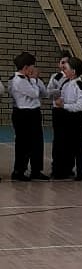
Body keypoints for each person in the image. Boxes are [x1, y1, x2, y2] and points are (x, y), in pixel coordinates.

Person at [8, 51, 49, 181]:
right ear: (26, 67)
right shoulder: (19, 80)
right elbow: (34, 94)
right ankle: (19, 171)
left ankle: (36, 170)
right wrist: (33, 79)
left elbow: (44, 93)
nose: (34, 68)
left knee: (37, 143)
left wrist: (36, 80)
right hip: (24, 114)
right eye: (32, 66)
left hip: (34, 112)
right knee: (23, 144)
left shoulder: (28, 79)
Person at [51, 56, 82, 180]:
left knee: (78, 146)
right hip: (66, 117)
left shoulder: (80, 85)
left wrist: (64, 105)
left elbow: (80, 106)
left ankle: (81, 172)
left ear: (73, 71)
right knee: (66, 145)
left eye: (66, 68)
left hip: (76, 118)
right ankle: (64, 170)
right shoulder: (66, 82)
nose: (64, 70)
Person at [47, 51, 71, 178]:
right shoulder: (55, 77)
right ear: (58, 64)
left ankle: (68, 167)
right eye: (62, 62)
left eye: (66, 62)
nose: (64, 65)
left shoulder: (74, 76)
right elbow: (48, 92)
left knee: (69, 140)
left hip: (70, 110)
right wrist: (58, 92)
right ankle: (56, 168)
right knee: (58, 139)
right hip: (58, 111)